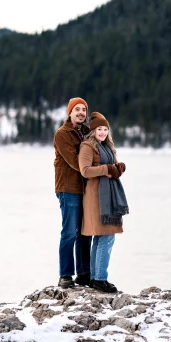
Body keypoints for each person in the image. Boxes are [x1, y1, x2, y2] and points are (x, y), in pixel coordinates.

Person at [78, 112, 129, 293]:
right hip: (96, 197)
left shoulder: (108, 146)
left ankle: (94, 278)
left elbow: (113, 167)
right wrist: (107, 169)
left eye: (105, 129)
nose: (102, 132)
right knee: (106, 237)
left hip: (108, 196)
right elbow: (85, 170)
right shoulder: (87, 146)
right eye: (99, 129)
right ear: (93, 130)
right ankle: (100, 278)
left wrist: (119, 167)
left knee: (101, 238)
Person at [54, 97, 92, 289]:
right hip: (68, 188)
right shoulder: (63, 134)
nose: (80, 113)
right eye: (77, 109)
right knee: (69, 232)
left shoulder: (87, 132)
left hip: (86, 188)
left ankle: (84, 273)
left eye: (83, 110)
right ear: (70, 112)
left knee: (85, 232)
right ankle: (65, 274)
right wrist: (99, 168)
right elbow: (75, 161)